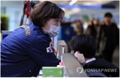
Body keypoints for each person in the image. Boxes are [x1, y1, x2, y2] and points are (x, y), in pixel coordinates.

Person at [1, 1, 64, 77]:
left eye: (60, 21)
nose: (58, 25)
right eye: (56, 21)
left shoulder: (31, 28)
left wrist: (48, 52)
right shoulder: (36, 38)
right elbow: (53, 65)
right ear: (44, 20)